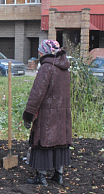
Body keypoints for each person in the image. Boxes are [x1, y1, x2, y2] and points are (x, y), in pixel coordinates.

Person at [22, 39, 72, 185]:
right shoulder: (65, 68)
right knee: (59, 143)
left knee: (43, 142)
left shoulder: (46, 67)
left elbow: (37, 93)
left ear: (44, 51)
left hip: (46, 114)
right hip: (62, 114)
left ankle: (41, 177)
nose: (38, 53)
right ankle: (59, 175)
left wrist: (29, 114)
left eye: (40, 50)